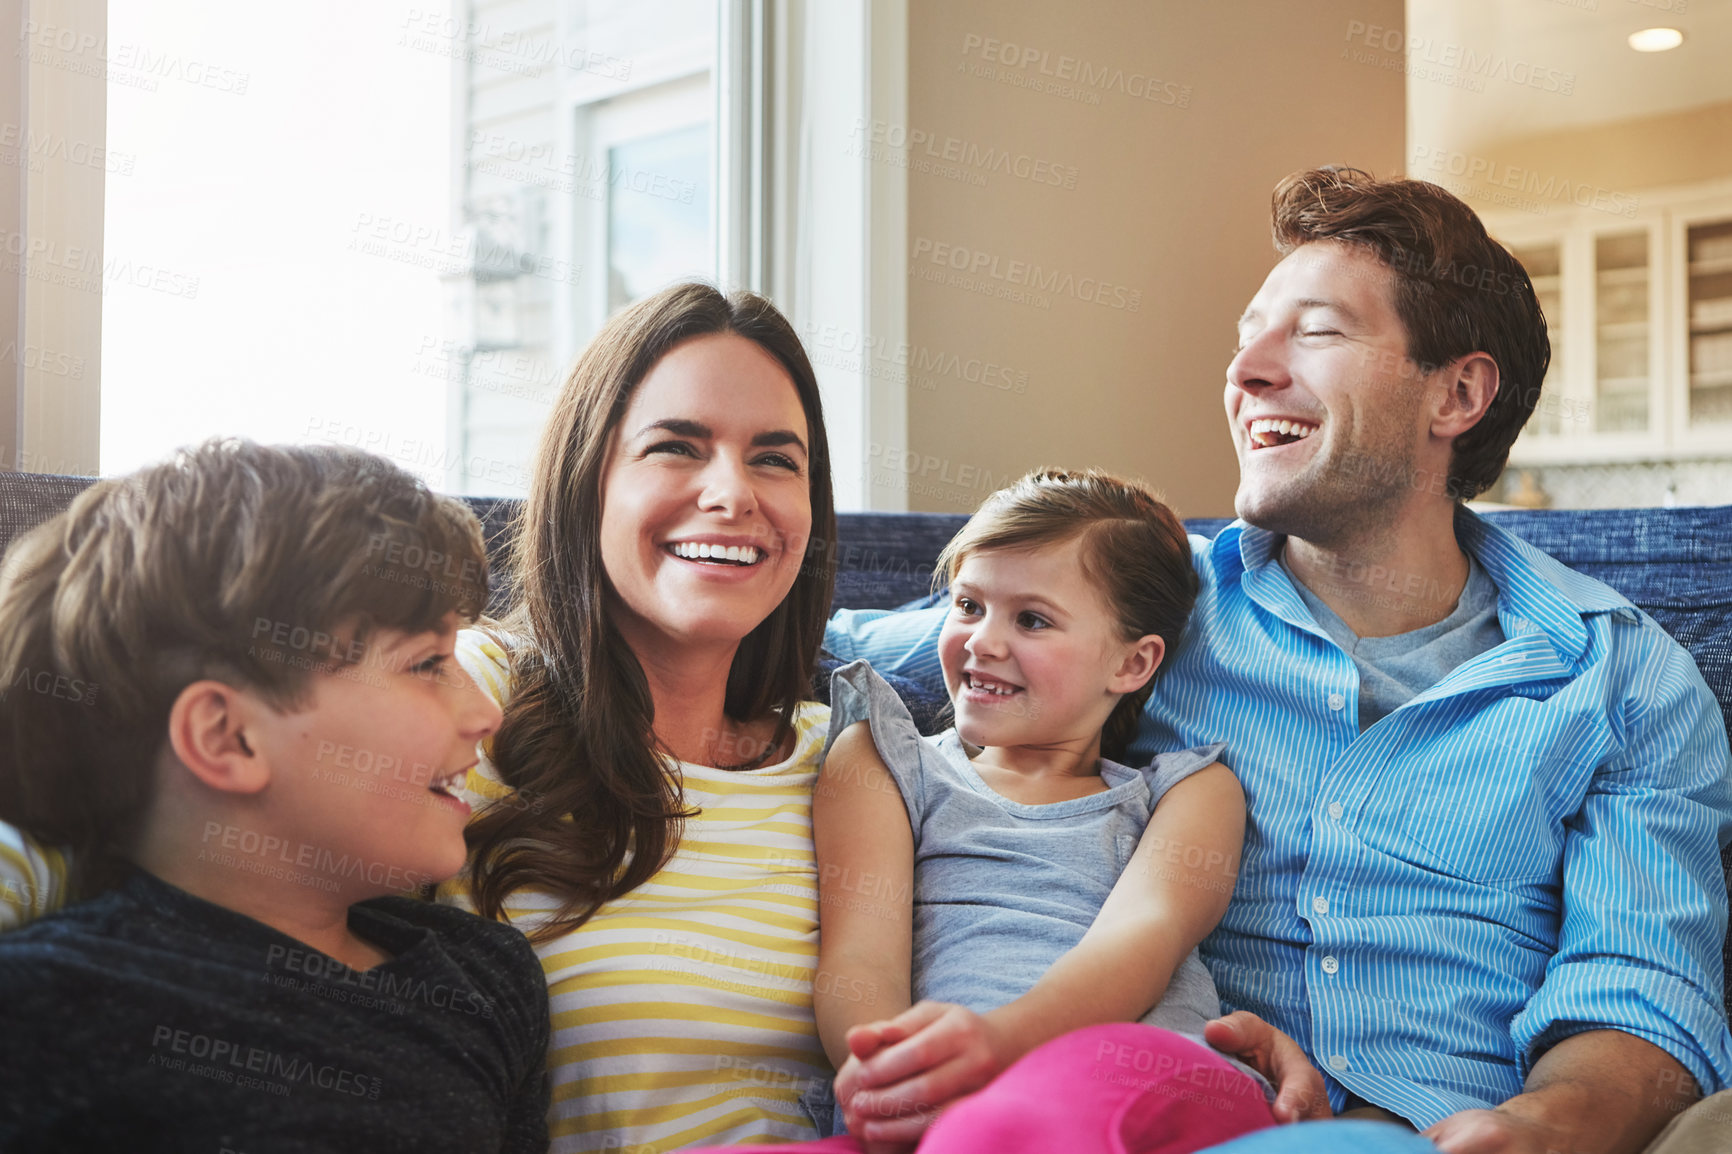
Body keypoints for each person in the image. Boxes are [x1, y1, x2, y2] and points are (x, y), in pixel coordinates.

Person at [824, 168, 1732, 1154]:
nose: (1246, 369)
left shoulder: (1622, 676)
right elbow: (819, 642)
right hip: (1175, 1110)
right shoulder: (1143, 607)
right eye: (1247, 333)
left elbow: (1638, 988)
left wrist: (1540, 1127)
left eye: (1315, 330)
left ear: (1457, 392)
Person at [689, 467, 1278, 1154]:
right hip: (942, 1104)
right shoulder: (881, 758)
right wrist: (886, 1077)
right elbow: (860, 958)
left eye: (1031, 619)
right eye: (968, 606)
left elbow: (1141, 943)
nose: (982, 642)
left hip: (1145, 1075)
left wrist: (993, 1047)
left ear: (1133, 663)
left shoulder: (1189, 792)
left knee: (994, 1132)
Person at [0, 440, 550, 1152]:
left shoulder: (487, 979)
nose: (486, 712)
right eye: (427, 664)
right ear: (229, 738)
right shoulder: (43, 1006)